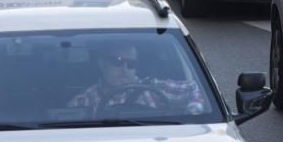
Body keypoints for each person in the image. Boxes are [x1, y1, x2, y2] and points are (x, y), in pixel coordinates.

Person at [67, 45, 206, 116]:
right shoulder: (82, 102)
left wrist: (193, 114)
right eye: (118, 61)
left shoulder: (155, 88)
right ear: (101, 63)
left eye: (131, 64)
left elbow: (195, 89)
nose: (125, 69)